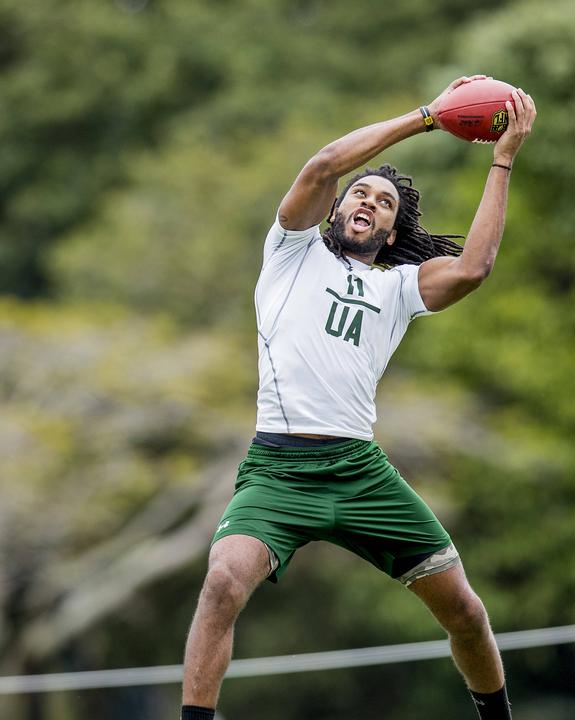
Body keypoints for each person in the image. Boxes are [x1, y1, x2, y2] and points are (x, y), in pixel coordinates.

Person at [180, 75, 536, 720]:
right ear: (336, 210)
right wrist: (428, 117)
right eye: (359, 193)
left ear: (394, 233)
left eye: (385, 203)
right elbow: (322, 165)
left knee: (465, 610)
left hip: (361, 473)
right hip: (280, 469)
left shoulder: (397, 287)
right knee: (221, 583)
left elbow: (473, 269)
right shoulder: (290, 252)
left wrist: (501, 159)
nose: (368, 201)